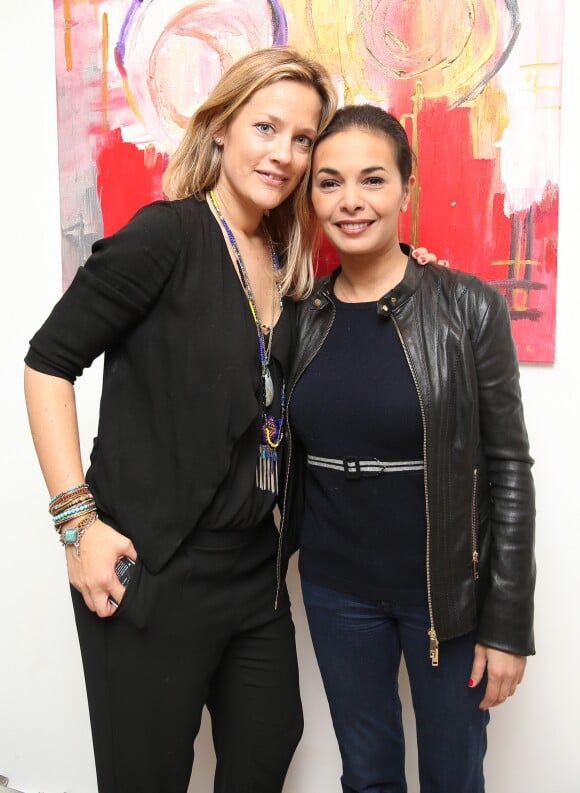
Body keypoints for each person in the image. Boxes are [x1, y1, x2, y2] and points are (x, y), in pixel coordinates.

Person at [23, 46, 339, 793]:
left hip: (254, 576)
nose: (285, 154)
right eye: (267, 127)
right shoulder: (167, 235)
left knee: (267, 747)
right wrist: (78, 525)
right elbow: (48, 362)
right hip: (154, 567)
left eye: (302, 139)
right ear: (223, 126)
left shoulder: (289, 257)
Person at [281, 104, 536, 793]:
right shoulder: (299, 317)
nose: (351, 201)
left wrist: (508, 622)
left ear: (405, 189)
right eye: (329, 182)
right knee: (366, 776)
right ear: (311, 196)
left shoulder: (467, 307)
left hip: (445, 593)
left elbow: (510, 470)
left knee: (453, 776)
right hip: (336, 591)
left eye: (372, 179)